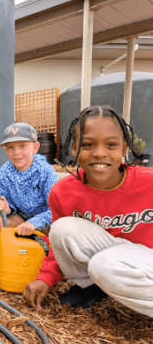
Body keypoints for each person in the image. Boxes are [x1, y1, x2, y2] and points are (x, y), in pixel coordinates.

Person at [23, 105, 153, 318]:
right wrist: (45, 278)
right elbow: (59, 245)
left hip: (146, 260)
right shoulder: (63, 192)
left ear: (123, 148)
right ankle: (93, 287)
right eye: (88, 144)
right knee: (61, 230)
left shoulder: (149, 183)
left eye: (111, 144)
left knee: (104, 265)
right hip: (114, 259)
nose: (100, 153)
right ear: (74, 148)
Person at [0, 122, 59, 237]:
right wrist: (8, 210)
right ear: (5, 150)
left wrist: (34, 223)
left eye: (22, 146)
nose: (16, 152)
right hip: (22, 219)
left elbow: (55, 208)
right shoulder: (3, 174)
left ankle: (48, 245)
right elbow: (9, 203)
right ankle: (26, 241)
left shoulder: (46, 171)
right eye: (11, 147)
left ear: (35, 147)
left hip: (44, 218)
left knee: (58, 231)